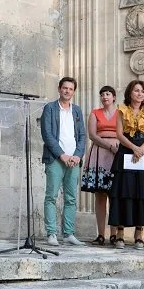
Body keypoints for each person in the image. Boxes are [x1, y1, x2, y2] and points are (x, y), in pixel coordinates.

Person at [108, 80, 144, 249]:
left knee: (142, 191)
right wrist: (134, 148)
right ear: (130, 93)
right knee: (124, 191)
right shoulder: (121, 110)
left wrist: (140, 149)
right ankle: (120, 233)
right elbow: (119, 134)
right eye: (136, 91)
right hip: (127, 150)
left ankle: (139, 233)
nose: (140, 94)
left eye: (142, 91)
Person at [41, 77, 86, 246]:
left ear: (74, 92)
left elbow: (82, 136)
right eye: (65, 88)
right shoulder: (50, 108)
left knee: (71, 198)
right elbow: (47, 135)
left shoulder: (76, 111)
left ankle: (68, 234)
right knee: (51, 197)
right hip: (55, 159)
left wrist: (77, 155)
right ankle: (51, 233)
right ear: (59, 89)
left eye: (71, 89)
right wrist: (62, 155)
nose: (67, 91)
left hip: (74, 160)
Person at [82, 86, 119, 246]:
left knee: (115, 195)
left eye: (108, 94)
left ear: (114, 97)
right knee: (100, 195)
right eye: (102, 94)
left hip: (117, 154)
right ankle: (101, 234)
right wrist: (109, 146)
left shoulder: (121, 113)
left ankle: (115, 234)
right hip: (99, 153)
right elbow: (92, 135)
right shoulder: (94, 113)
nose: (105, 97)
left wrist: (117, 148)